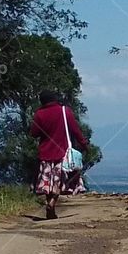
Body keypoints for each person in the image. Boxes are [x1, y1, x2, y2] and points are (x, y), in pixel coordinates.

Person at [29, 90, 89, 219]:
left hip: (45, 154)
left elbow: (33, 133)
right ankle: (52, 203)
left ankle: (50, 206)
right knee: (58, 182)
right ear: (55, 99)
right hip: (63, 154)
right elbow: (75, 130)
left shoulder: (39, 114)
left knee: (47, 182)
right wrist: (84, 144)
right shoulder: (64, 111)